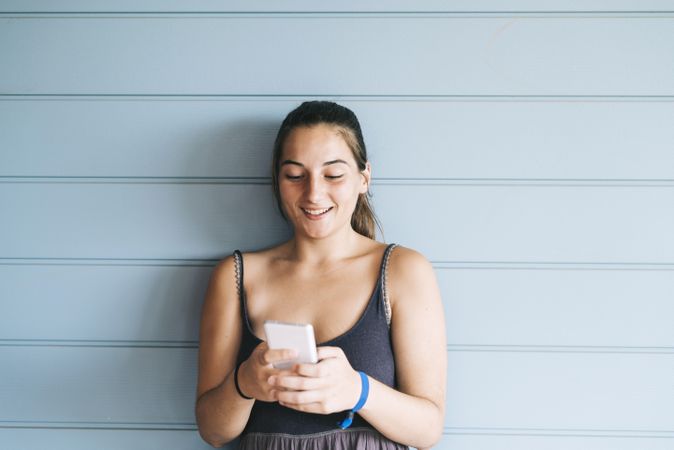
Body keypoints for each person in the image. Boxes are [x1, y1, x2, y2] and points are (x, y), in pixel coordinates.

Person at [195, 101, 446, 449]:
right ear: (277, 181)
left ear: (364, 178)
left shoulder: (403, 271)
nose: (313, 193)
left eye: (333, 175)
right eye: (295, 176)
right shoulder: (236, 276)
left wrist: (358, 390)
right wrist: (245, 383)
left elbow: (428, 429)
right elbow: (213, 430)